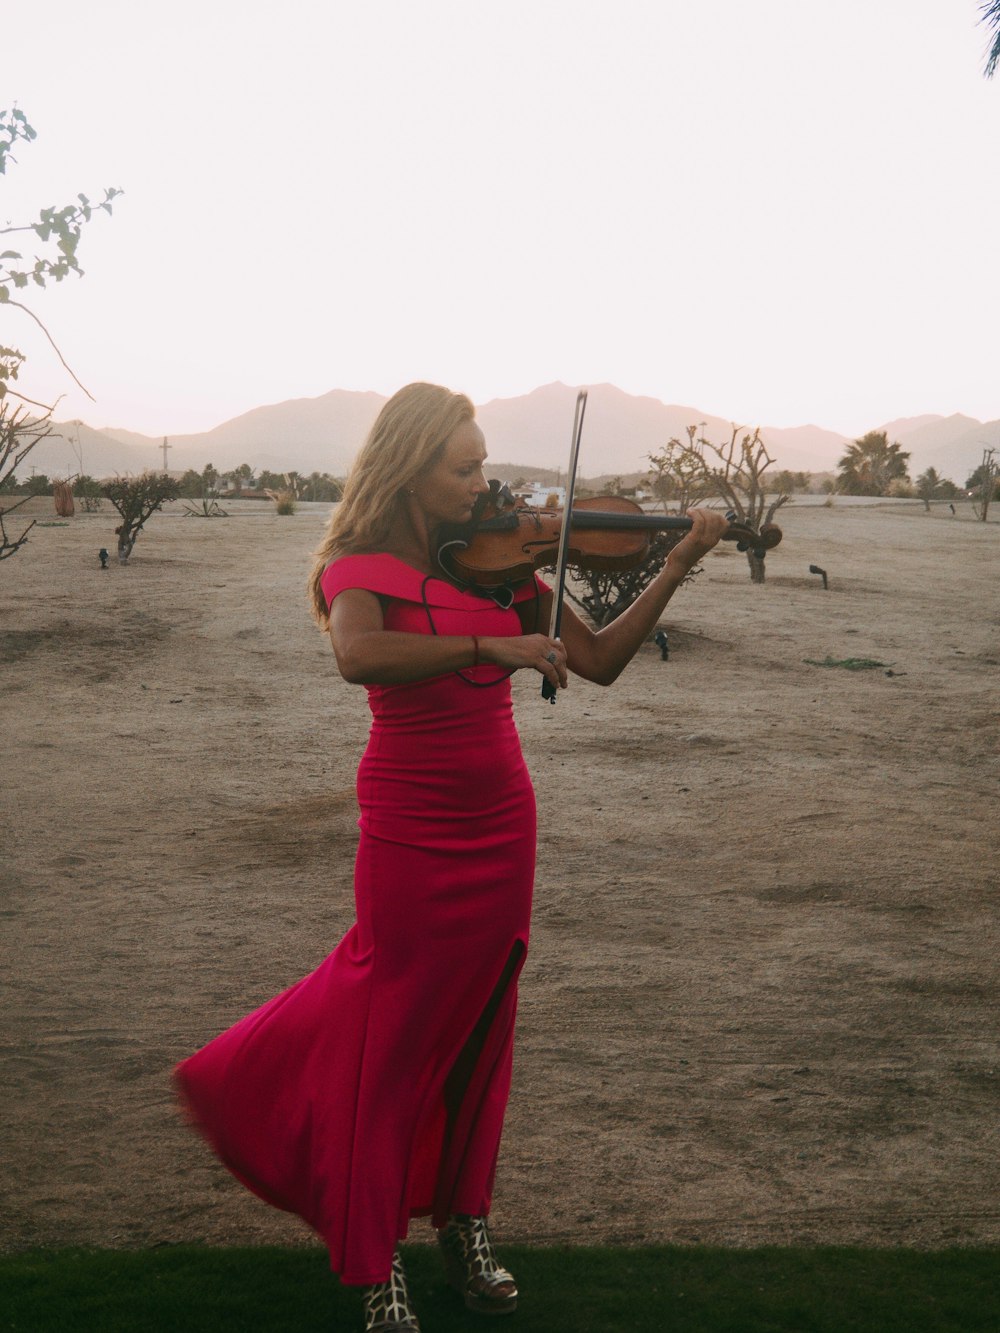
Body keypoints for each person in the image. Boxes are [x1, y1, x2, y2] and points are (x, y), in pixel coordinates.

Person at [175, 382, 728, 1332]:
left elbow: (595, 661)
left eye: (484, 465)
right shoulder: (362, 563)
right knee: (391, 1038)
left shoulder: (503, 565)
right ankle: (373, 1252)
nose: (488, 486)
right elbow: (359, 657)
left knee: (482, 1028)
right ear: (409, 466)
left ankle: (465, 1221)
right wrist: (495, 645)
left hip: (502, 816)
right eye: (465, 467)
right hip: (409, 820)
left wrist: (676, 560)